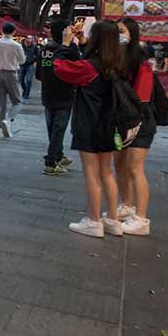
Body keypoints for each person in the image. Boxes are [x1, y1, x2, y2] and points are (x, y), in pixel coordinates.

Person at [54, 20, 127, 238]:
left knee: (91, 174)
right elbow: (92, 59)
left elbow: (60, 68)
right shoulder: (117, 63)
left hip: (89, 124)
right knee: (106, 173)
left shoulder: (89, 67)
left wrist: (65, 44)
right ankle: (113, 220)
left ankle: (94, 221)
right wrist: (82, 42)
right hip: (110, 124)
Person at [114, 18, 155, 236]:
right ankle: (127, 206)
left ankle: (141, 219)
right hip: (121, 119)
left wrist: (135, 118)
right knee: (120, 164)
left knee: (134, 167)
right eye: (116, 30)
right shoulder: (116, 56)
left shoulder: (141, 59)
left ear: (132, 33)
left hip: (140, 119)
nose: (118, 34)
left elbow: (143, 95)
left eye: (121, 31)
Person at [36, 19, 79, 176]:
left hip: (47, 93)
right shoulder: (70, 50)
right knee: (58, 129)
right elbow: (78, 70)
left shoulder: (44, 49)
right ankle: (51, 162)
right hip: (64, 94)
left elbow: (39, 74)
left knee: (53, 128)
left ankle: (58, 155)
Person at [0, 22, 25, 138]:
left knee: (0, 102)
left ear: (1, 31)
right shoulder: (16, 45)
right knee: (17, 101)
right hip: (11, 74)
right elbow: (22, 61)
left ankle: (1, 124)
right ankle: (8, 120)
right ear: (14, 32)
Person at [19, 35, 40, 101]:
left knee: (29, 80)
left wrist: (35, 60)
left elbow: (38, 55)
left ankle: (27, 94)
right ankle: (25, 89)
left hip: (30, 64)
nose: (30, 40)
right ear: (25, 39)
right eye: (29, 38)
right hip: (22, 64)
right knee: (21, 79)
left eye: (31, 38)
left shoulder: (34, 47)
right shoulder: (20, 46)